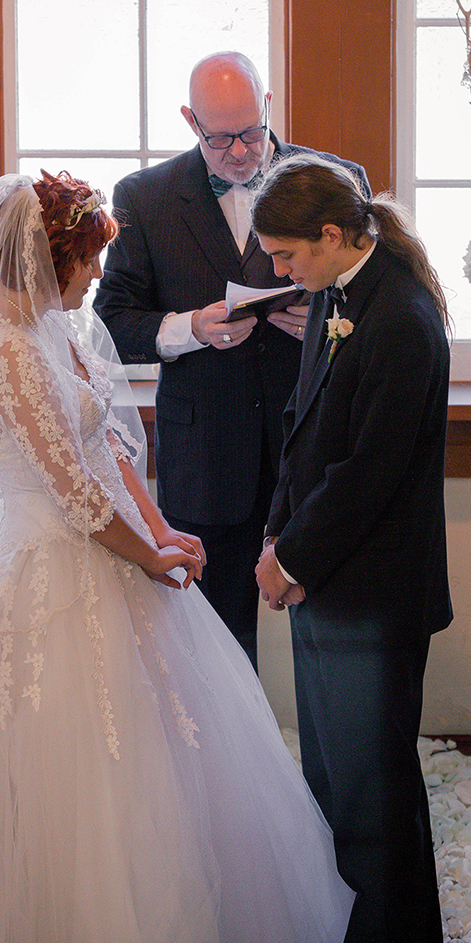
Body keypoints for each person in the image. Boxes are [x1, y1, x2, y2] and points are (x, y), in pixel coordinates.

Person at [0, 169, 354, 943]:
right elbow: (70, 492)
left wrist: (161, 526)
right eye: (89, 263)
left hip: (109, 545)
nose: (98, 277)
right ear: (49, 260)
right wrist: (148, 557)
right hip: (50, 560)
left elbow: (108, 449)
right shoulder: (6, 353)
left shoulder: (56, 329)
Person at [95, 50, 370, 669]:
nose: (241, 152)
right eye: (221, 139)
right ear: (191, 121)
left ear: (268, 106)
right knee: (214, 647)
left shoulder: (335, 180)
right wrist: (189, 328)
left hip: (314, 446)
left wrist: (324, 325)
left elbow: (378, 308)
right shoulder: (146, 196)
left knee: (329, 638)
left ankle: (322, 761)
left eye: (250, 132)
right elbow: (112, 319)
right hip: (207, 451)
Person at [252, 156, 453, 943]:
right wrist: (276, 535)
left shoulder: (401, 316)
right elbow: (303, 435)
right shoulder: (338, 297)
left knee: (372, 791)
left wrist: (291, 558)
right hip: (325, 580)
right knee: (337, 780)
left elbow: (373, 469)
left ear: (333, 236)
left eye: (288, 256)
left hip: (373, 594)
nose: (280, 274)